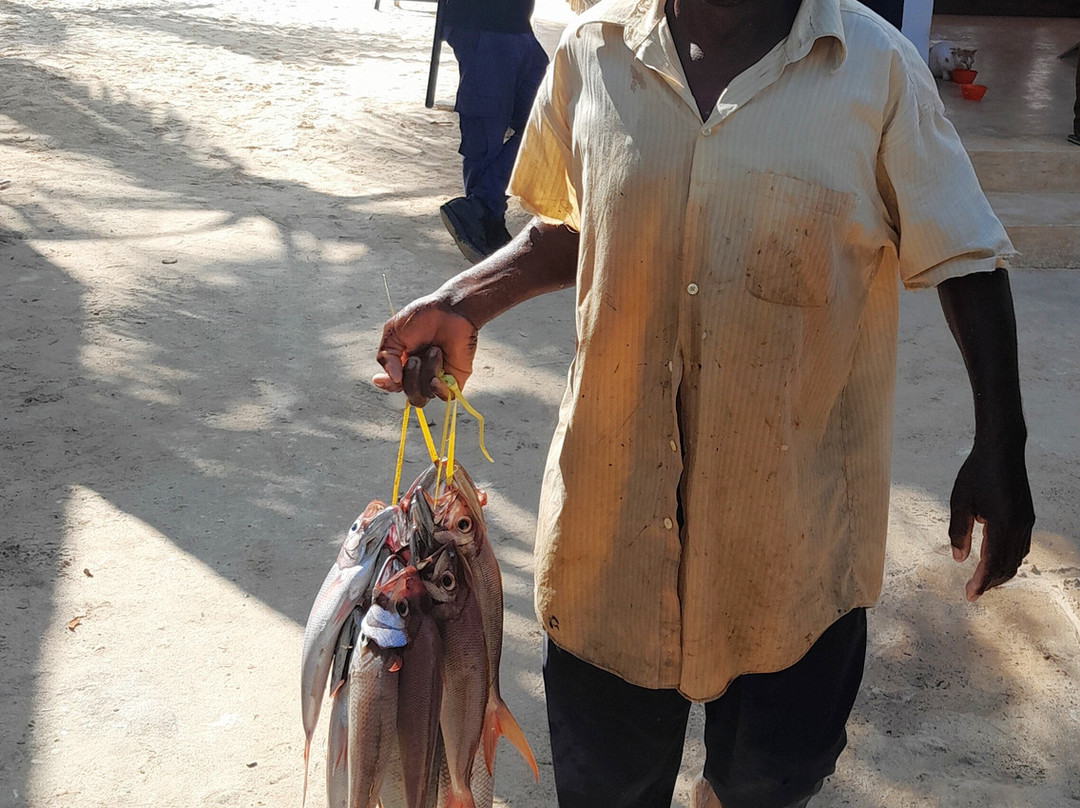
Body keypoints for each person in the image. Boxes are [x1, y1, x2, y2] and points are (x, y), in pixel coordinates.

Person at [375, 0, 1036, 806]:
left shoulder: (878, 70)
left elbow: (966, 254)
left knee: (769, 784)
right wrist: (466, 298)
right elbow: (582, 220)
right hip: (606, 549)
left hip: (795, 555)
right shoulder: (593, 52)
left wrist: (1001, 443)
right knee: (607, 788)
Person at [438, 0, 549, 262]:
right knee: (486, 131)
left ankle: (481, 208)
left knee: (548, 123)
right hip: (481, 24)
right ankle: (486, 217)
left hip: (518, 26)